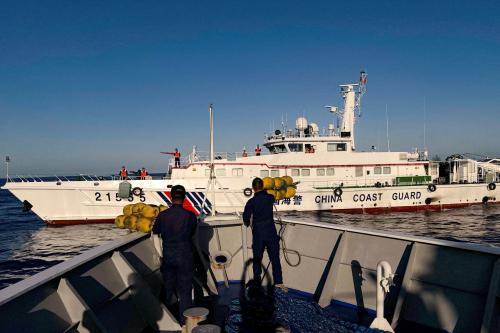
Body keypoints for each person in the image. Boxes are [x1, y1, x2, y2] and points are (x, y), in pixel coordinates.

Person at [153, 185, 197, 325]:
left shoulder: (162, 215)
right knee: (185, 291)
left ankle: (167, 322)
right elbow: (192, 233)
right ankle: (184, 323)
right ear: (184, 199)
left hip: (169, 257)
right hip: (185, 256)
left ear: (171, 198)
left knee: (168, 287)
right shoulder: (190, 216)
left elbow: (155, 233)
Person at [243, 178, 285, 289]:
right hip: (271, 232)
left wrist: (248, 222)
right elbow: (271, 195)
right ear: (262, 186)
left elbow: (246, 219)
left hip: (258, 234)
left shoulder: (251, 202)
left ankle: (257, 282)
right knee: (275, 258)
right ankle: (279, 282)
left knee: (257, 259)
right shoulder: (270, 198)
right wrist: (265, 191)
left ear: (253, 188)